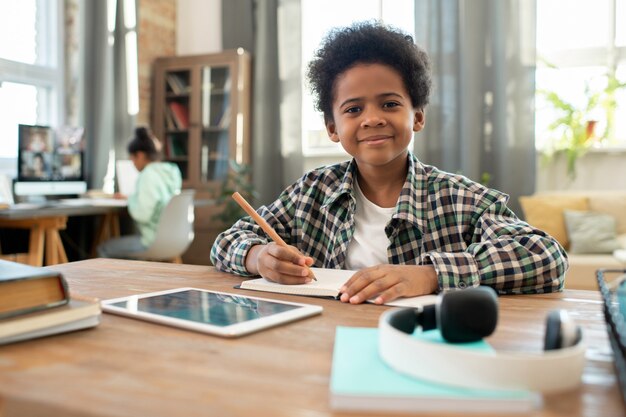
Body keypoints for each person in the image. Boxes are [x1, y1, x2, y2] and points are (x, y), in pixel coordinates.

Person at [210, 22, 568, 304]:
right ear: (333, 128)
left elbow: (546, 257)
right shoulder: (311, 193)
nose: (372, 119)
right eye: (353, 109)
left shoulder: (460, 199)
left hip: (419, 348)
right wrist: (259, 258)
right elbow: (227, 241)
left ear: (417, 116)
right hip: (323, 342)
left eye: (390, 104)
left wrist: (430, 275)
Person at [98, 127, 182, 258]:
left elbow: (143, 214)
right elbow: (158, 200)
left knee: (104, 248)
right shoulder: (171, 171)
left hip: (152, 241)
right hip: (176, 240)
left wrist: (131, 200)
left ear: (140, 155)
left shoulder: (147, 174)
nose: (132, 163)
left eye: (132, 158)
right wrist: (132, 197)